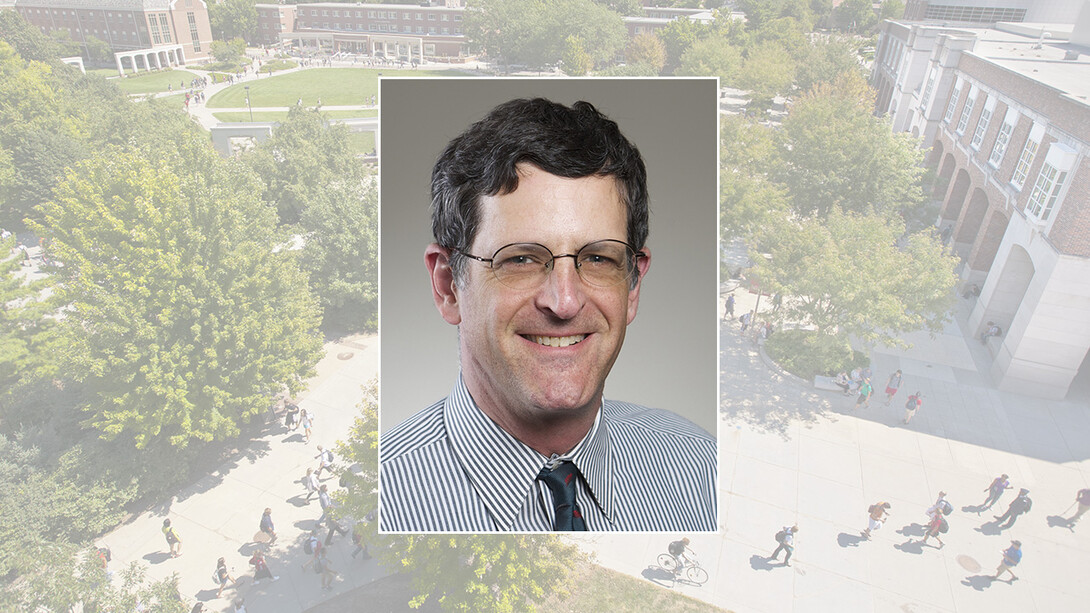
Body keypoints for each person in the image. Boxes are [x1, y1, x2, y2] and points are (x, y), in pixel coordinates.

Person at [379, 97, 716, 532]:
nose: (565, 302)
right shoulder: (380, 502)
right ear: (448, 287)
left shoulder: (702, 470)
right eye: (520, 259)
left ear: (633, 285)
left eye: (597, 258)